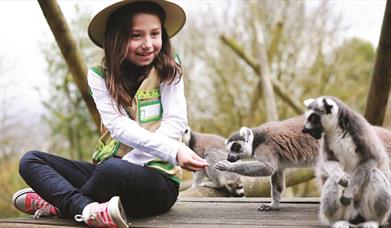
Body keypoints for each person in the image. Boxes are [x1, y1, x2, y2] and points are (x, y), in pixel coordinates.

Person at [12, 0, 208, 227]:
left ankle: (62, 204)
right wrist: (174, 149)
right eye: (136, 36)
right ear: (117, 38)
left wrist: (168, 151)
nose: (148, 44)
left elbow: (175, 122)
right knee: (31, 160)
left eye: (155, 34)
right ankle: (86, 208)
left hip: (156, 183)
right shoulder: (98, 76)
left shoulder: (169, 66)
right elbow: (117, 126)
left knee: (112, 170)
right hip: (108, 174)